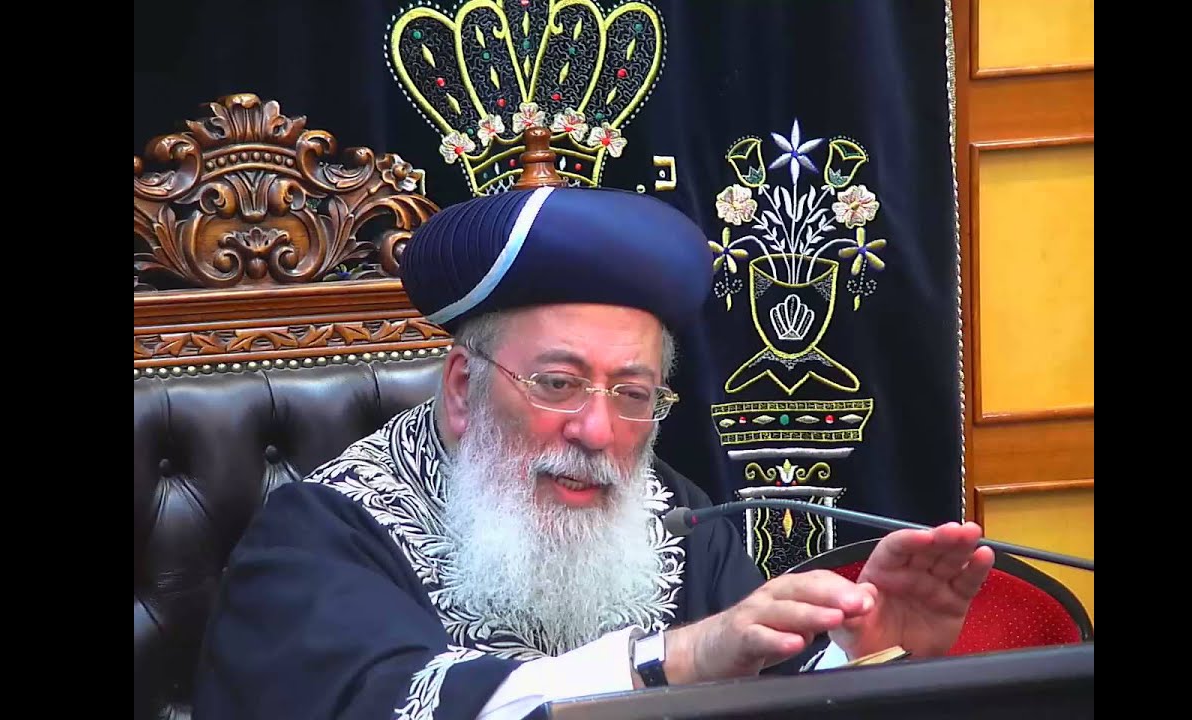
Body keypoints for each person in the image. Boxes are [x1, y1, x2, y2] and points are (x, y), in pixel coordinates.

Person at [191, 186, 994, 720]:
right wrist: (672, 660)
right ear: (464, 388)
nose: (599, 432)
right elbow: (397, 705)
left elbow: (768, 698)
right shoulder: (321, 534)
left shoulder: (679, 522)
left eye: (633, 393)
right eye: (558, 384)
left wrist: (866, 656)